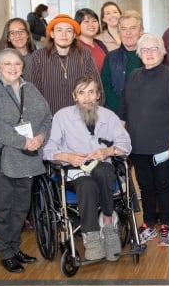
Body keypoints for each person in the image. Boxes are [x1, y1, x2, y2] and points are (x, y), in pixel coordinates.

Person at [0, 48, 52, 273]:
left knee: (20, 208)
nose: (12, 68)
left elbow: (47, 117)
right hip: (1, 160)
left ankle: (15, 247)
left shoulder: (31, 89)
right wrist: (22, 141)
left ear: (22, 66)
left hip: (27, 160)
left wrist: (41, 137)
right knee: (1, 209)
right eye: (6, 64)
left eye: (17, 64)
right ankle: (6, 253)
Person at [43, 75, 132, 262]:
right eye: (81, 93)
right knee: (86, 184)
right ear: (74, 96)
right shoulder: (62, 116)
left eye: (91, 92)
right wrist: (67, 156)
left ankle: (108, 225)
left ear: (98, 95)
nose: (87, 98)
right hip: (74, 171)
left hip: (102, 168)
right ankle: (91, 237)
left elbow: (125, 144)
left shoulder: (109, 116)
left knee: (104, 171)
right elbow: (49, 150)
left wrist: (108, 150)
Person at [121, 34, 169, 248]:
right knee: (146, 186)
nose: (150, 53)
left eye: (154, 49)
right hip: (138, 144)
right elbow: (125, 107)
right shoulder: (133, 76)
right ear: (139, 54)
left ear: (162, 52)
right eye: (145, 50)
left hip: (163, 145)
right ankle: (149, 224)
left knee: (163, 184)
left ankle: (166, 225)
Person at [24, 13, 100, 115]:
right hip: (50, 119)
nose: (64, 35)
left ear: (74, 35)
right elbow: (32, 94)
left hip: (81, 118)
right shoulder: (39, 57)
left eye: (69, 31)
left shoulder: (84, 54)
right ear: (52, 34)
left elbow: (96, 87)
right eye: (59, 30)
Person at [100, 10, 143, 115]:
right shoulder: (110, 57)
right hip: (117, 115)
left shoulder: (150, 57)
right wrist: (122, 111)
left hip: (144, 115)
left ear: (141, 31)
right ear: (119, 33)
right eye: (123, 29)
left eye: (133, 28)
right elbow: (105, 86)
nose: (128, 33)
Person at [75, 8, 109, 72]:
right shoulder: (74, 47)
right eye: (86, 21)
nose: (91, 25)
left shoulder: (100, 44)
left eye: (94, 21)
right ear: (77, 25)